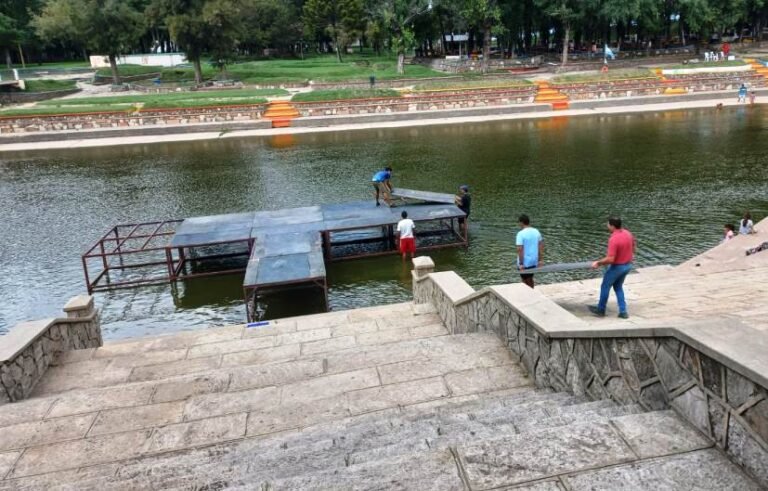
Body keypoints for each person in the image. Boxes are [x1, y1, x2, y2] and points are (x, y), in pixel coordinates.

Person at [589, 217, 635, 319]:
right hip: (627, 266)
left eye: (608, 224)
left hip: (617, 267)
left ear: (612, 226)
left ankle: (600, 310)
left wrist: (598, 263)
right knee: (618, 287)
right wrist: (631, 256)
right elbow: (633, 245)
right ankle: (623, 312)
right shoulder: (628, 233)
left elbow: (610, 259)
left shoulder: (613, 239)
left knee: (605, 286)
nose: (607, 226)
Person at [515, 214, 543, 288]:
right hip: (534, 261)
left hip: (525, 262)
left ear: (521, 222)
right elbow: (540, 246)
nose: (519, 224)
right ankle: (532, 294)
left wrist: (521, 263)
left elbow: (520, 249)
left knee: (524, 281)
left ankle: (527, 296)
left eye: (519, 223)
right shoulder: (536, 231)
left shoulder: (520, 234)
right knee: (530, 278)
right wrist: (540, 260)